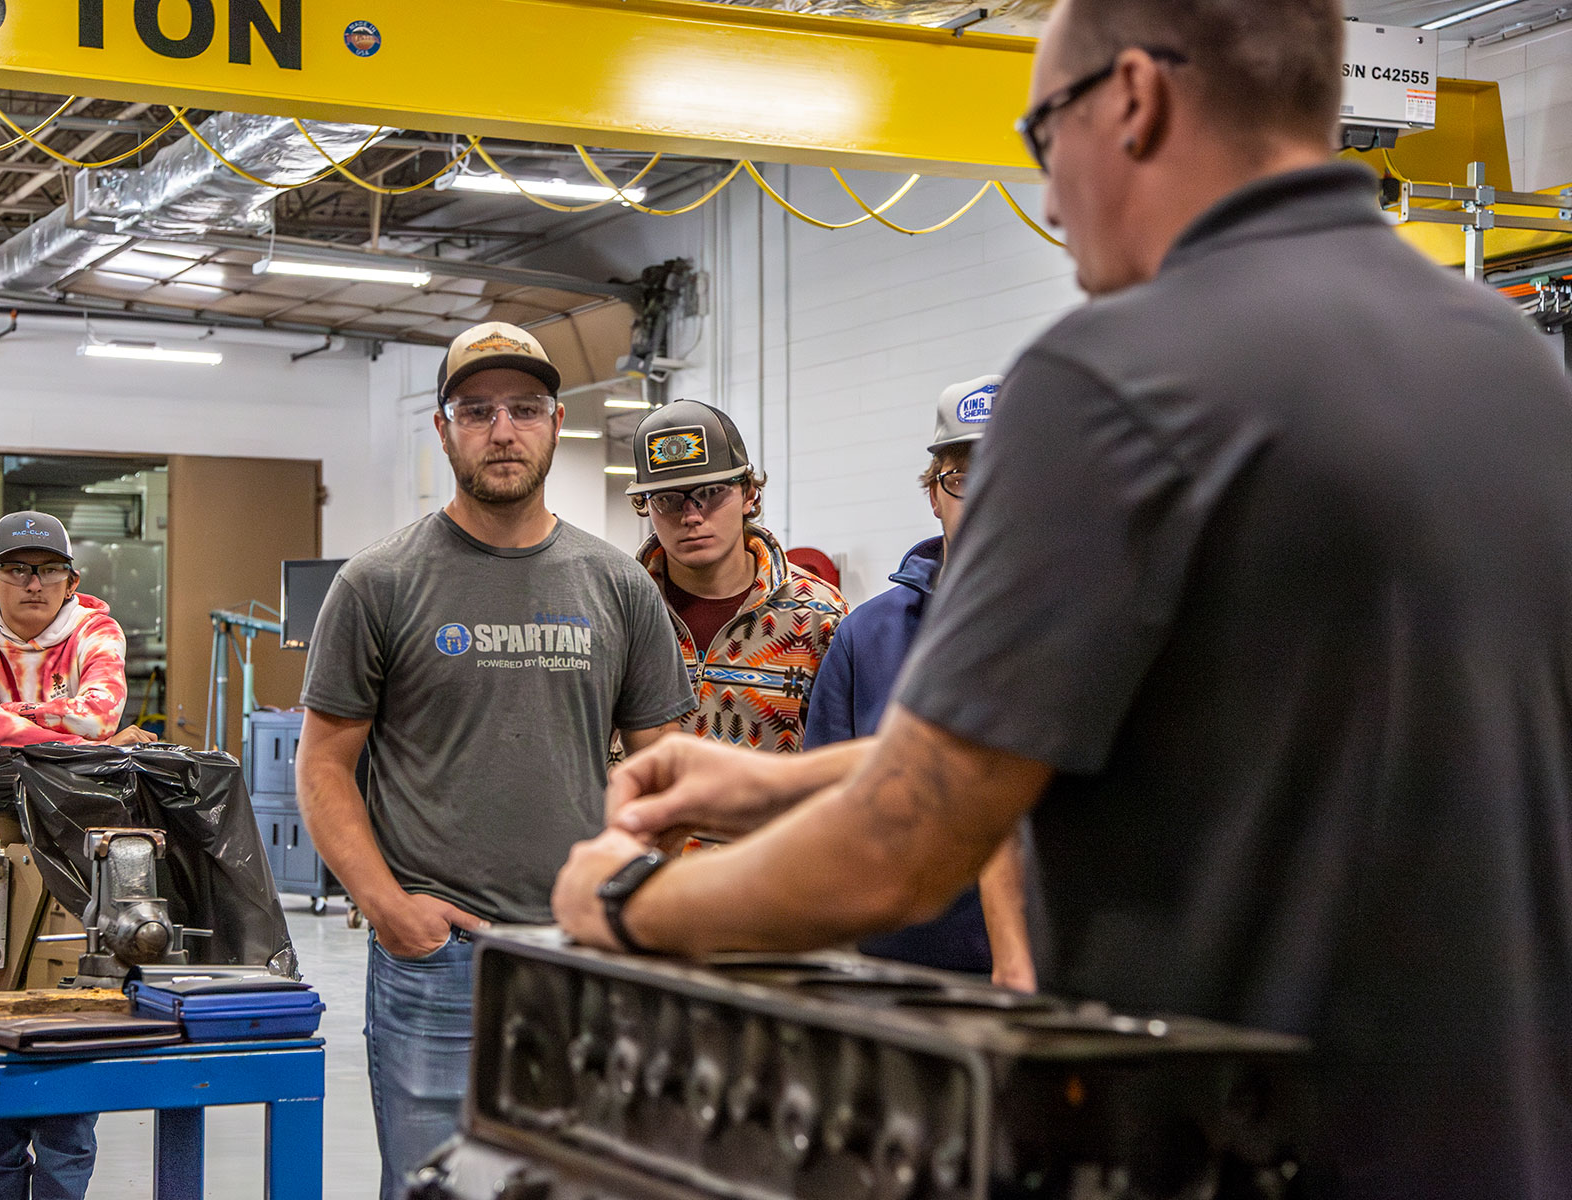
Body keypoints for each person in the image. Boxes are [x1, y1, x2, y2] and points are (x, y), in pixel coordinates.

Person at [552, 0, 1572, 1194]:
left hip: (1232, 1150)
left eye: (1044, 134)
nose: (1046, 197)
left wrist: (625, 903)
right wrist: (780, 778)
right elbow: (1232, 740)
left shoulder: (1118, 376)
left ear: (1134, 100)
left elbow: (904, 851)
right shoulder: (1511, 369)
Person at [295, 321, 695, 1199]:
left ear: (556, 424)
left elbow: (664, 771)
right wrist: (387, 907)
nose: (501, 431)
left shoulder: (618, 585)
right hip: (438, 960)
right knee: (434, 1185)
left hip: (580, 955)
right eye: (476, 411)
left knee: (583, 1183)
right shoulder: (379, 582)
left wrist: (637, 912)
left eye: (523, 409)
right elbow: (323, 767)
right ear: (442, 430)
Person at [0, 510, 151, 1200]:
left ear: (71, 580)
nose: (35, 583)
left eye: (49, 569)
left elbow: (95, 714)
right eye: (17, 569)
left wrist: (16, 719)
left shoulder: (97, 628)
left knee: (71, 1051)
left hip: (76, 859)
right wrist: (79, 736)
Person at [805, 377, 1033, 989]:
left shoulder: (1082, 630)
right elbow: (827, 807)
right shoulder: (864, 637)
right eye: (961, 477)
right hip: (899, 969)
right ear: (934, 494)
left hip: (1049, 974)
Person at [626, 399, 845, 753]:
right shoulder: (622, 609)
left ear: (749, 493)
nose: (691, 515)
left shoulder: (817, 614)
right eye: (666, 499)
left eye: (710, 493)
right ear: (646, 506)